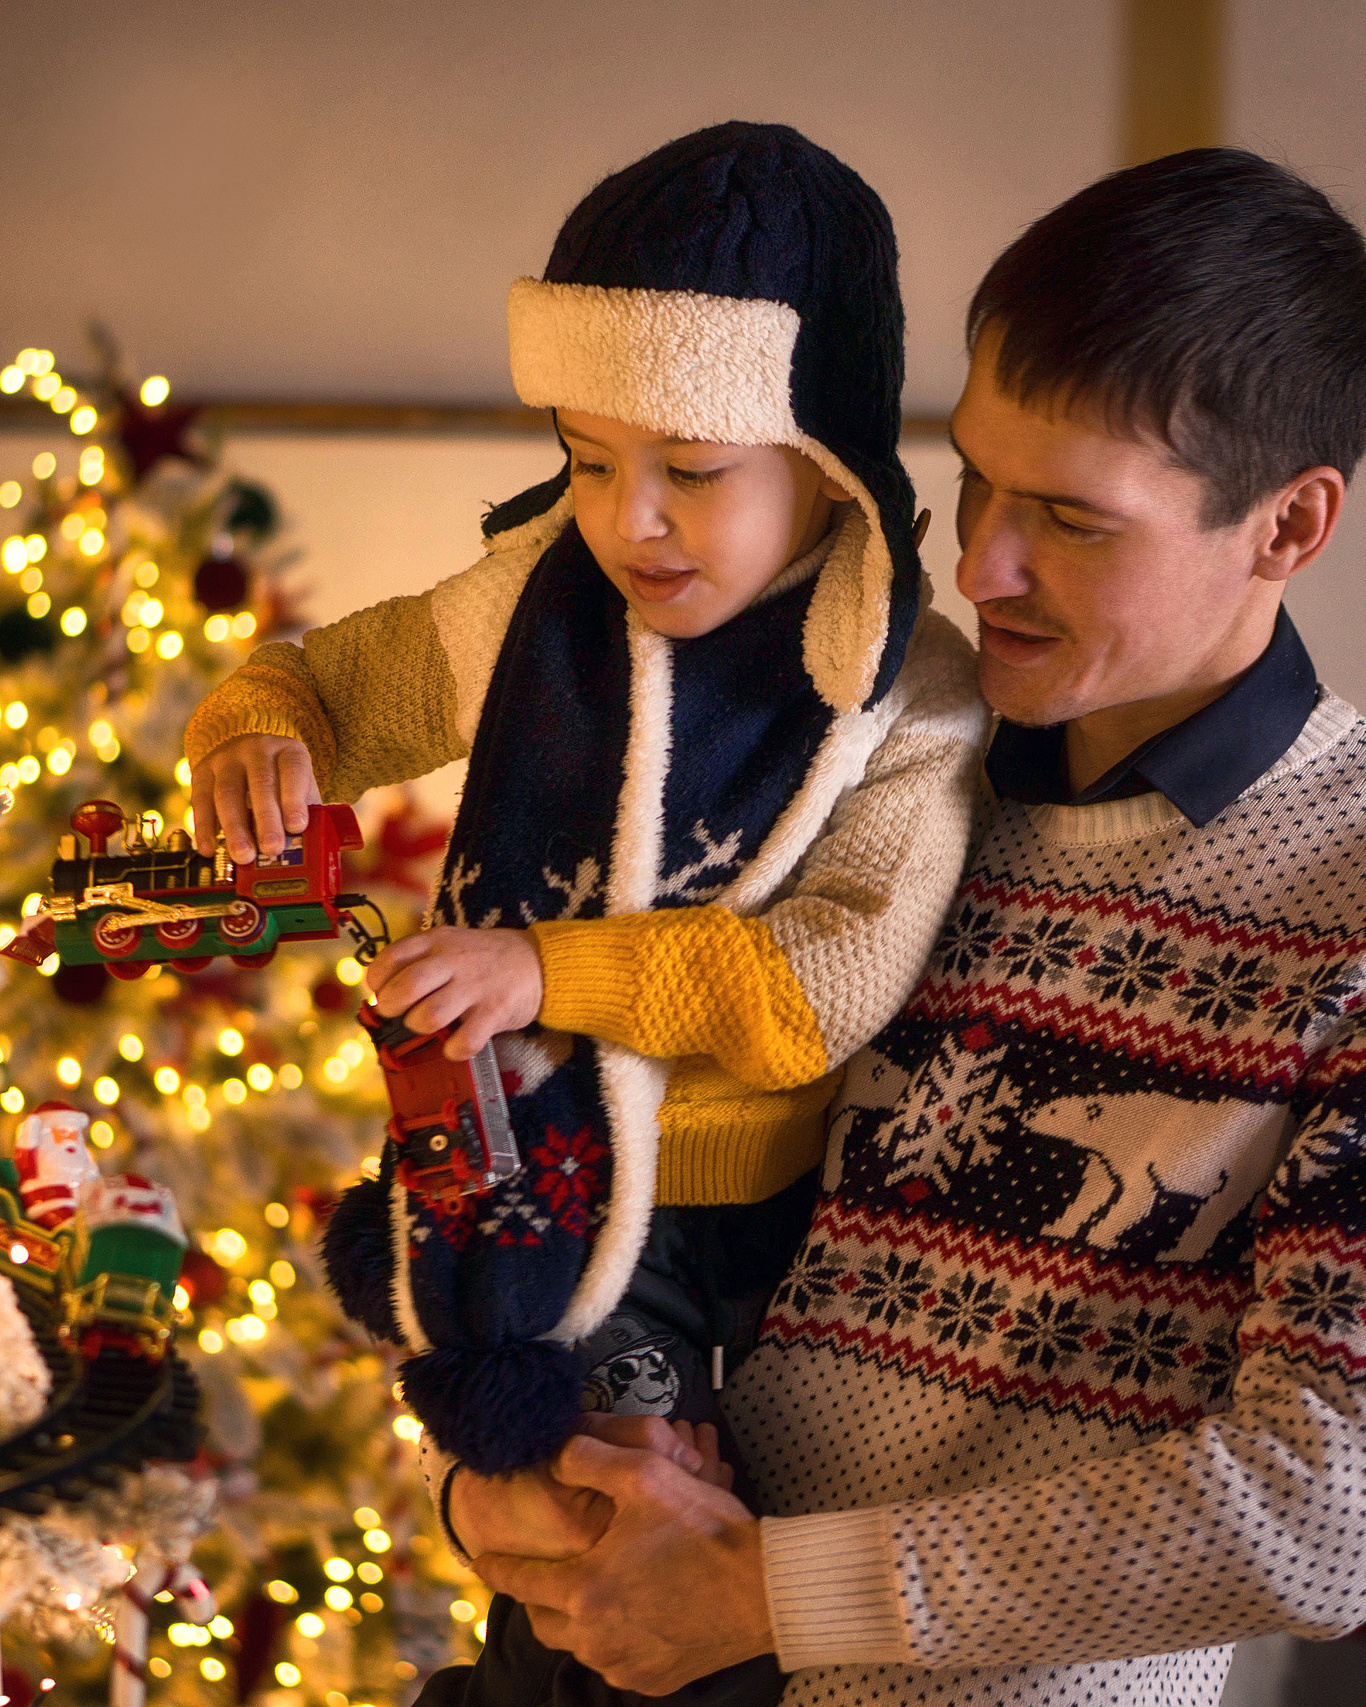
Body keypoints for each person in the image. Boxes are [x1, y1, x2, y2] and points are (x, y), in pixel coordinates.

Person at [450, 147, 1366, 1706]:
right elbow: (609, 1152)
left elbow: (1324, 1512)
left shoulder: (1342, 902)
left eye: (1068, 519)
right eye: (973, 478)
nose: (976, 561)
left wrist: (766, 1596)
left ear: (1286, 526)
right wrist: (501, 1476)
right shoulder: (860, 767)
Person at [185, 123, 987, 1705]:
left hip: (786, 1226)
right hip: (541, 1183)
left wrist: (545, 968)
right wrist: (258, 731)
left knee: (701, 1587)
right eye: (589, 457)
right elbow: (330, 681)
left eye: (693, 470)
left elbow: (824, 981)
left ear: (824, 451)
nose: (631, 521)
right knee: (587, 1552)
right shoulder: (533, 603)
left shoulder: (902, 688)